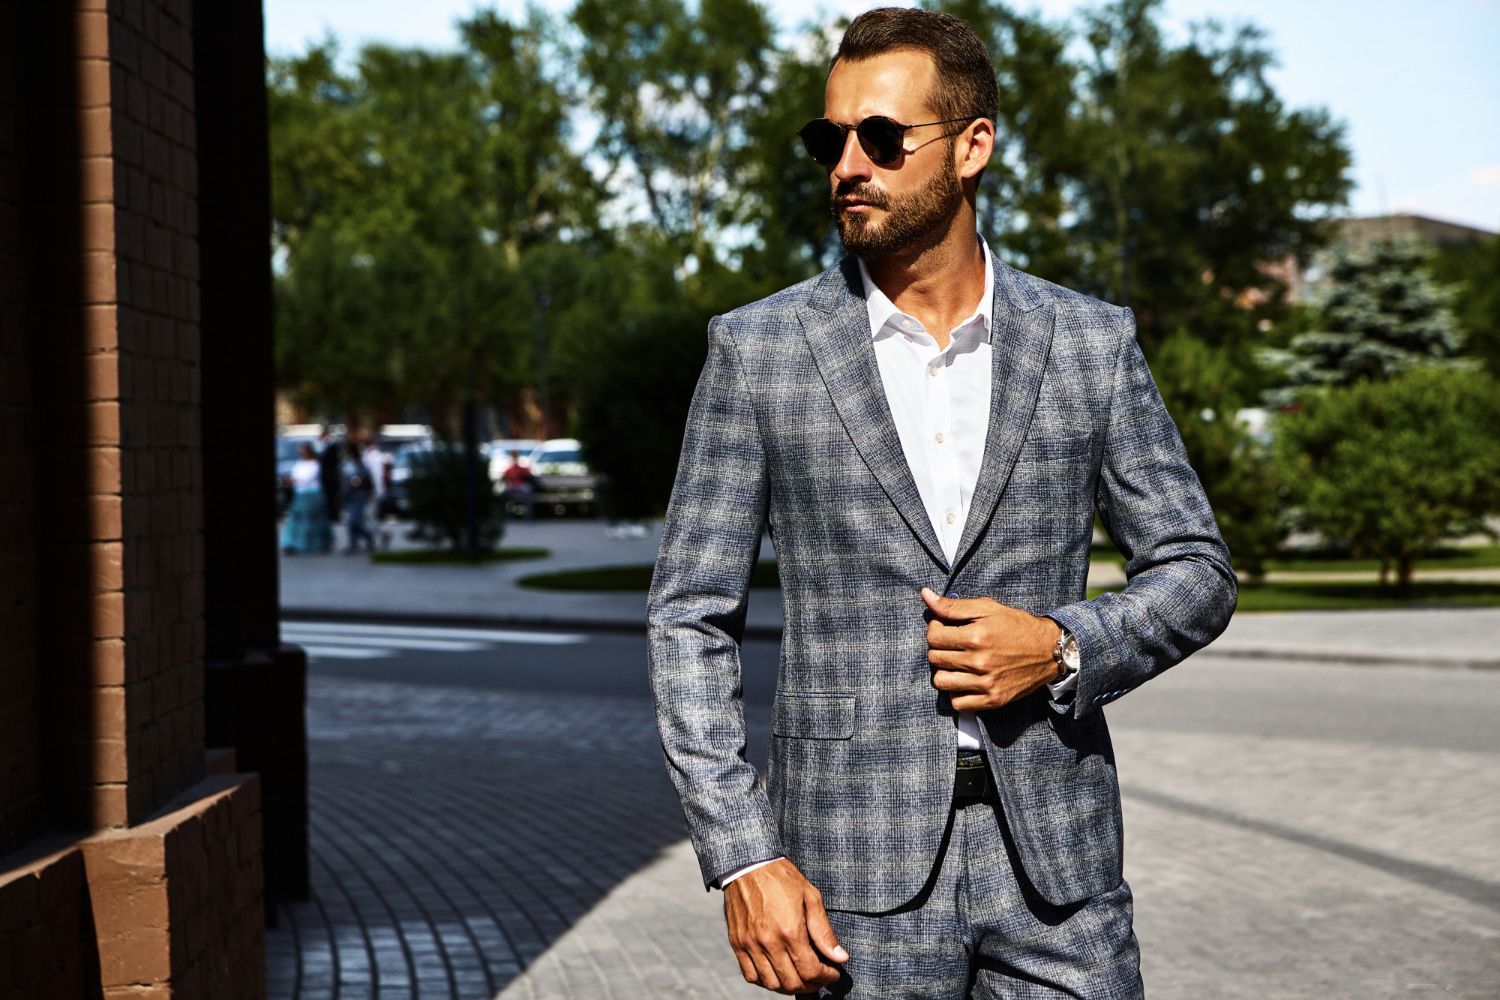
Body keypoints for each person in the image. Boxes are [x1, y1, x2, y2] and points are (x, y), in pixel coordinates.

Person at [646, 9, 1237, 999]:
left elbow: (1195, 569)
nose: (847, 163)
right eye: (828, 139)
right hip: (850, 886)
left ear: (972, 148)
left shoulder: (1089, 342)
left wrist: (1061, 644)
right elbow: (686, 617)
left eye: (881, 138)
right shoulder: (761, 352)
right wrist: (744, 853)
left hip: (1060, 879)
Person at [280, 442, 332, 555]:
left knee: (315, 521)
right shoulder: (299, 464)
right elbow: (295, 477)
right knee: (295, 520)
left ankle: (322, 543)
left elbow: (307, 478)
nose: (301, 452)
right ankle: (291, 544)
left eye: (303, 450)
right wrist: (290, 481)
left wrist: (294, 481)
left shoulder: (314, 464)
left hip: (312, 495)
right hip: (300, 494)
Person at [341, 439, 376, 554]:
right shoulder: (346, 463)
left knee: (353, 521)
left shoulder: (360, 464)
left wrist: (359, 483)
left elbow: (368, 480)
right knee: (351, 521)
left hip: (359, 495)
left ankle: (368, 537)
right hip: (349, 495)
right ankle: (353, 544)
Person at [499, 449, 537, 520]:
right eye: (513, 456)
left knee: (528, 491)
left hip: (521, 487)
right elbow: (503, 479)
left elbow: (529, 476)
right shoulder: (509, 469)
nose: (514, 458)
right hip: (512, 487)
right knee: (504, 494)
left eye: (516, 456)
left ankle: (528, 516)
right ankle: (507, 516)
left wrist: (522, 473)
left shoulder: (523, 468)